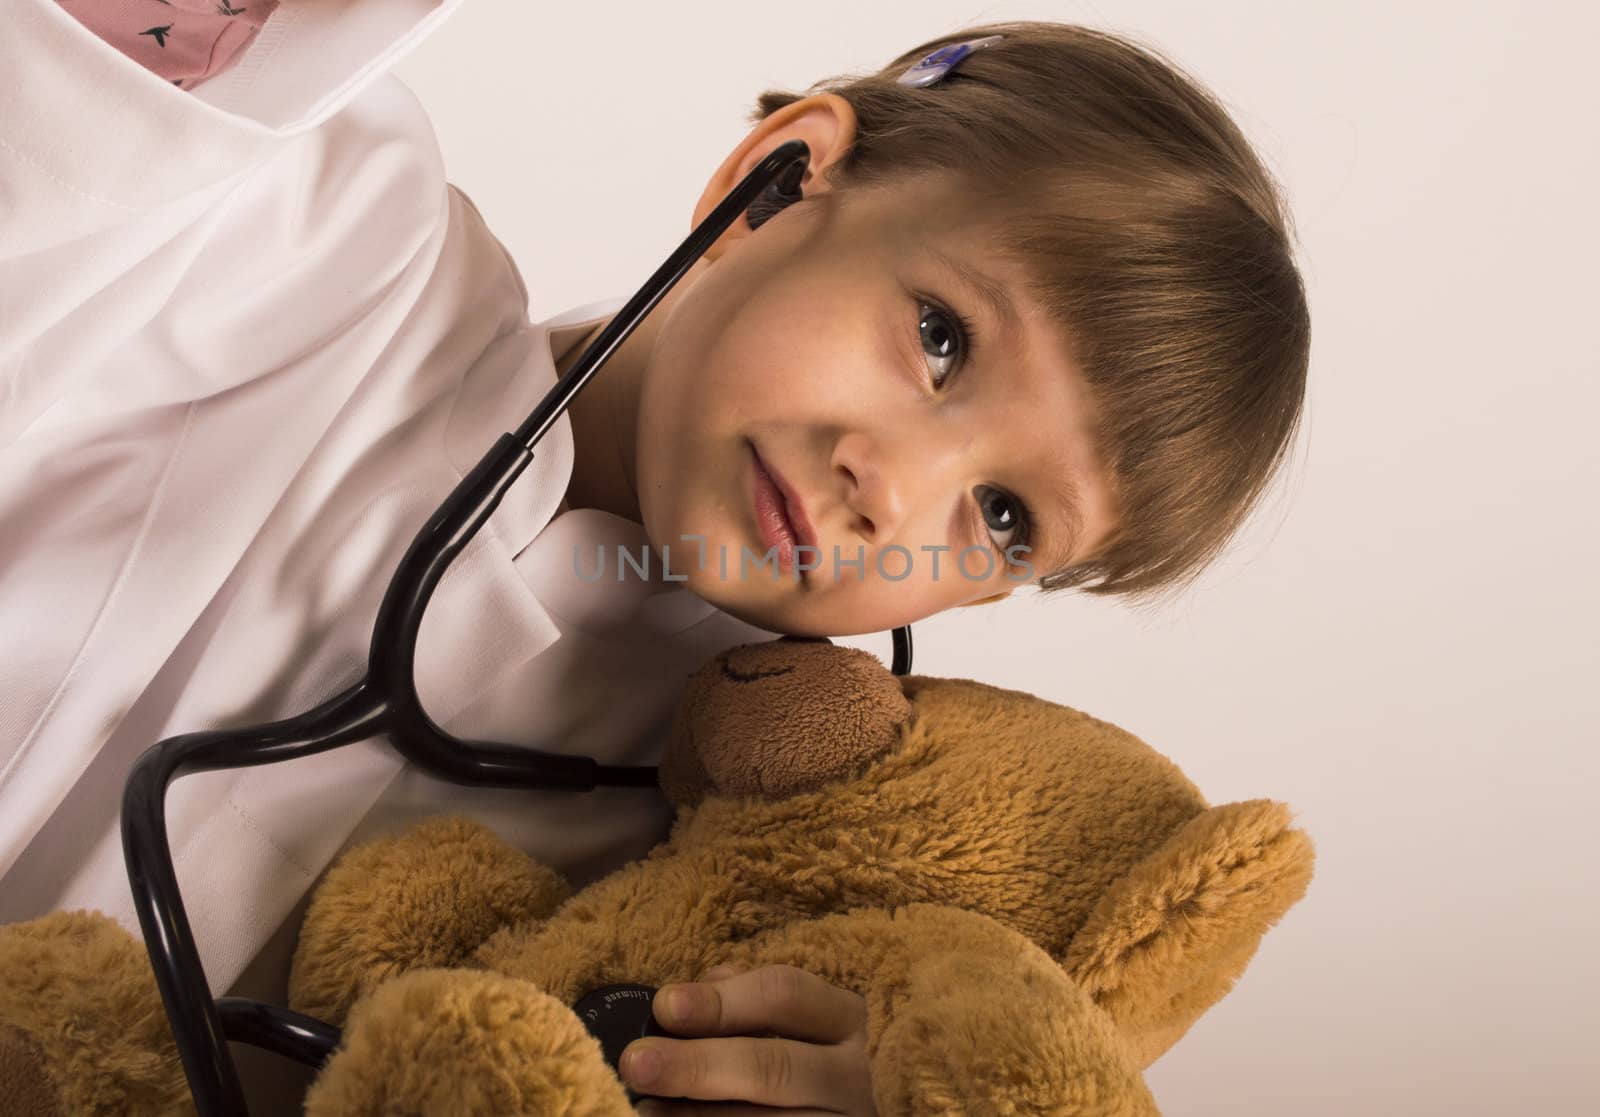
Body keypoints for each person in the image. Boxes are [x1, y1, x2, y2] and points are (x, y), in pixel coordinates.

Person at [0, 2, 1311, 1113]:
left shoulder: (759, 846)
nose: (894, 486)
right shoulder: (334, 250)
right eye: (941, 338)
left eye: (1006, 518)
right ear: (776, 184)